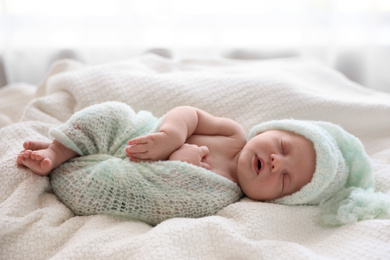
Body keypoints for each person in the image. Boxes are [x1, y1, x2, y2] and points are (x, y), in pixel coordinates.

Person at [17, 102, 390, 226]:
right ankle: (58, 151)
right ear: (273, 130)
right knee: (111, 113)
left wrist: (182, 163)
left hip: (125, 175)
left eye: (286, 178)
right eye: (282, 146)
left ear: (279, 202)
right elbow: (188, 113)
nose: (276, 161)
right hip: (129, 137)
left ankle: (69, 155)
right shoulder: (232, 134)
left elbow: (159, 200)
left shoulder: (221, 194)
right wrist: (171, 137)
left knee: (115, 185)